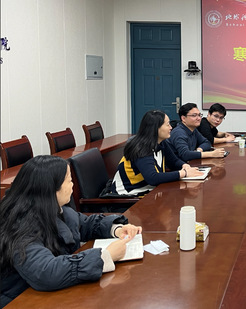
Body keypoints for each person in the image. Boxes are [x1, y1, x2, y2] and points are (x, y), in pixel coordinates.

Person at [0, 155, 142, 306]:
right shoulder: (19, 225)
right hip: (20, 300)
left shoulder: (52, 208)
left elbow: (85, 223)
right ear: (52, 189)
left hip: (53, 295)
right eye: (69, 180)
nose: (72, 184)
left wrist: (116, 229)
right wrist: (105, 257)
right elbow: (45, 272)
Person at [110, 109, 206, 196]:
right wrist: (184, 173)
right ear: (156, 128)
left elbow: (174, 161)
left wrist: (185, 166)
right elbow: (153, 178)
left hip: (149, 190)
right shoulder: (141, 148)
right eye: (167, 124)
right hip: (128, 194)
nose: (171, 127)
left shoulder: (161, 142)